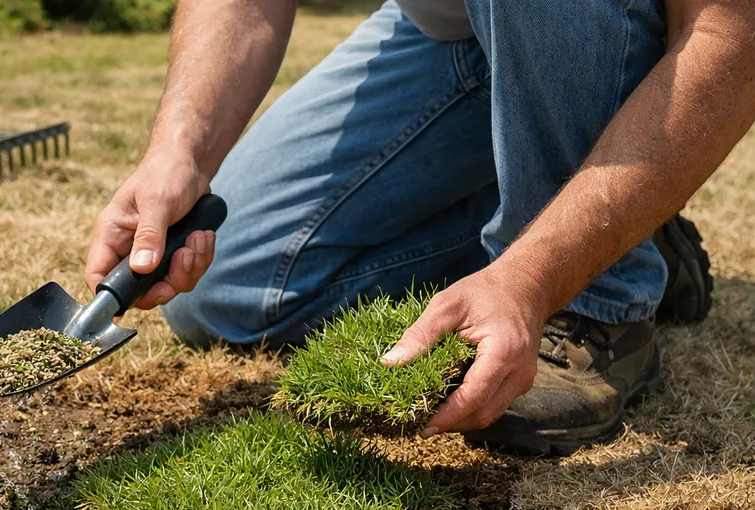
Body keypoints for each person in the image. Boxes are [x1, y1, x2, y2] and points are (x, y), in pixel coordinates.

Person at [83, 0, 753, 455]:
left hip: (618, 31)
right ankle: (581, 205)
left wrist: (535, 277)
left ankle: (601, 289)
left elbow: (733, 32)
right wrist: (181, 152)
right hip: (451, 35)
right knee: (229, 292)